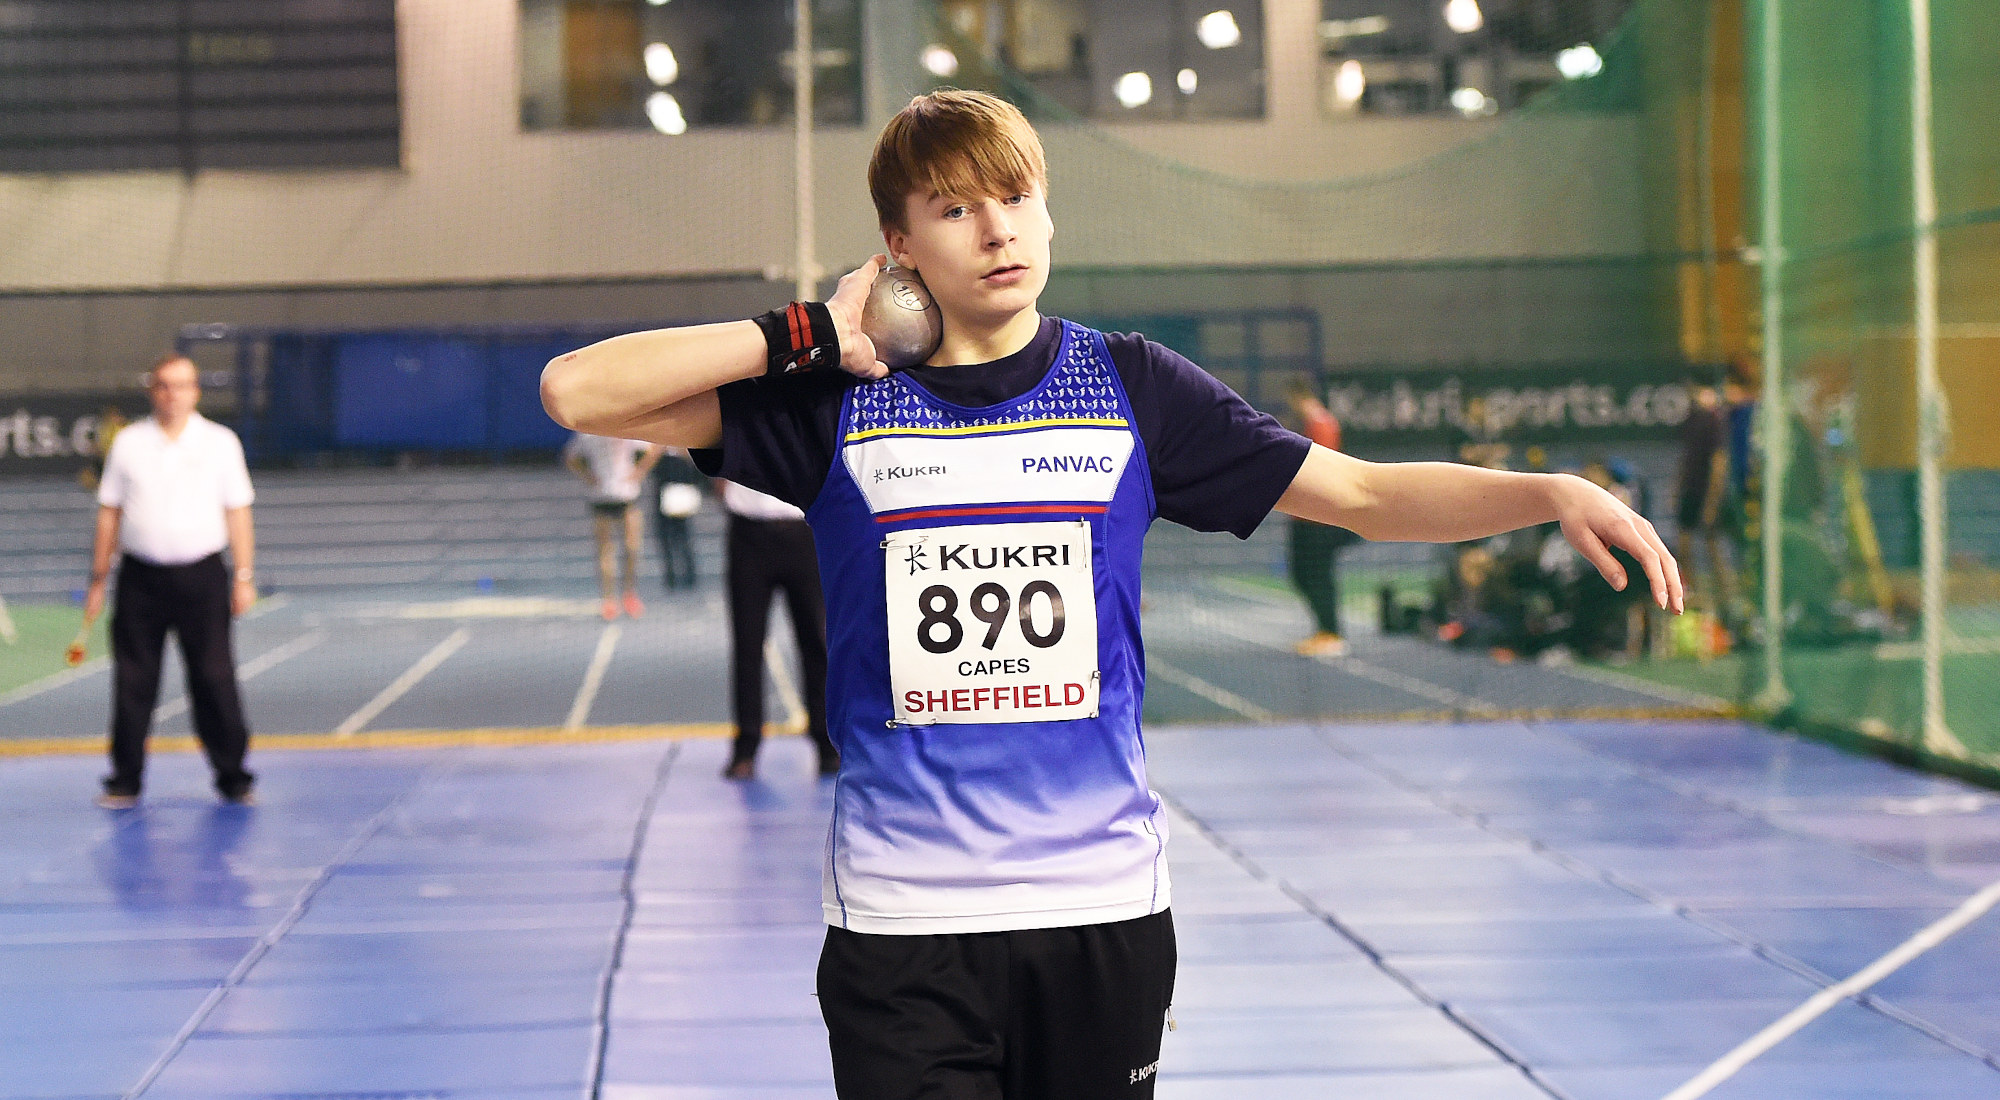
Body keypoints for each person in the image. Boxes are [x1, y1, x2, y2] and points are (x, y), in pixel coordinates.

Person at [541, 89, 1680, 1100]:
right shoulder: (837, 402)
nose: (995, 229)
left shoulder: (1129, 386)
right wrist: (812, 331)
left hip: (1101, 911)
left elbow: (1366, 493)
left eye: (1016, 198)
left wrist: (1544, 487)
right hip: (906, 927)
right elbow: (576, 389)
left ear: (1047, 213)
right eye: (952, 208)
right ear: (896, 245)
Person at [84, 354, 259, 809]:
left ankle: (234, 778)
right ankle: (124, 780)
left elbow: (238, 511)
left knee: (214, 678)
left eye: (181, 385)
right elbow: (110, 512)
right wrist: (98, 578)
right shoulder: (128, 443)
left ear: (196, 391)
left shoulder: (221, 442)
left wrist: (243, 576)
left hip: (203, 578)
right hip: (140, 580)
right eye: (163, 385)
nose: (172, 394)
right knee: (133, 681)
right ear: (152, 391)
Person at [717, 479, 837, 780]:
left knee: (815, 642)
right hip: (749, 535)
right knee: (747, 645)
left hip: (803, 532)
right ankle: (746, 747)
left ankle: (827, 745)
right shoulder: (741, 429)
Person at [1282, 378, 1355, 657]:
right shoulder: (1312, 423)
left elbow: (1317, 464)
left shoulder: (1320, 423)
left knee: (1318, 575)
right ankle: (1324, 629)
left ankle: (1331, 632)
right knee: (1304, 574)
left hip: (1318, 518)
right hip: (1305, 515)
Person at [563, 432, 659, 620]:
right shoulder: (587, 434)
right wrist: (587, 476)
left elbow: (653, 449)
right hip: (601, 496)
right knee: (605, 551)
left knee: (632, 548)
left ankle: (629, 593)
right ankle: (608, 599)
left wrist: (639, 472)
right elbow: (569, 457)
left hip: (627, 495)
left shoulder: (627, 431)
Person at [651, 445, 706, 589]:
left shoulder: (683, 453)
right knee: (668, 540)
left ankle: (689, 574)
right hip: (665, 496)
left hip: (680, 495)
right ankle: (671, 576)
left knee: (684, 538)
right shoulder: (661, 452)